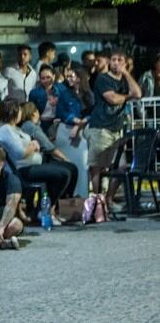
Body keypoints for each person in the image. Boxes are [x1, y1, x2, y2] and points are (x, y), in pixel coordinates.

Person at [0, 99, 71, 225]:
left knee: (67, 168)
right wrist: (34, 146)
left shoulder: (14, 129)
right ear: (14, 112)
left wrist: (32, 146)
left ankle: (42, 210)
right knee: (63, 174)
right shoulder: (5, 130)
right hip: (21, 170)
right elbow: (20, 153)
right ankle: (43, 210)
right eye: (19, 110)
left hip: (32, 165)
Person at [86, 49, 141, 210]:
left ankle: (108, 199)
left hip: (117, 130)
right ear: (109, 62)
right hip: (101, 127)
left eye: (120, 60)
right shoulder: (103, 79)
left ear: (125, 63)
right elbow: (112, 99)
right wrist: (127, 97)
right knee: (97, 166)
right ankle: (97, 203)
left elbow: (137, 93)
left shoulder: (125, 79)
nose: (116, 63)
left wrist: (127, 74)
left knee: (121, 167)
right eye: (114, 60)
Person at [19, 102, 78, 200]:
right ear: (34, 112)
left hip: (37, 160)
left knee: (72, 168)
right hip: (32, 164)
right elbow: (48, 146)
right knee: (68, 170)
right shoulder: (30, 126)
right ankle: (55, 203)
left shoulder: (30, 125)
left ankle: (64, 202)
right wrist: (64, 158)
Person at [54, 66, 94, 197]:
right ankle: (66, 198)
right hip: (66, 131)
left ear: (79, 78)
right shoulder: (65, 94)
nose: (69, 79)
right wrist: (75, 120)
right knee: (66, 165)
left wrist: (80, 123)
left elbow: (92, 112)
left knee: (82, 165)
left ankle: (82, 197)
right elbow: (60, 112)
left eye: (72, 76)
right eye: (68, 76)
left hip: (82, 132)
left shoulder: (88, 94)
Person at [29, 64, 63, 134]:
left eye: (48, 77)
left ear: (54, 76)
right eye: (43, 78)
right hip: (41, 124)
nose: (46, 80)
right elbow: (30, 112)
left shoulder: (61, 90)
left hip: (58, 123)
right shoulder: (34, 93)